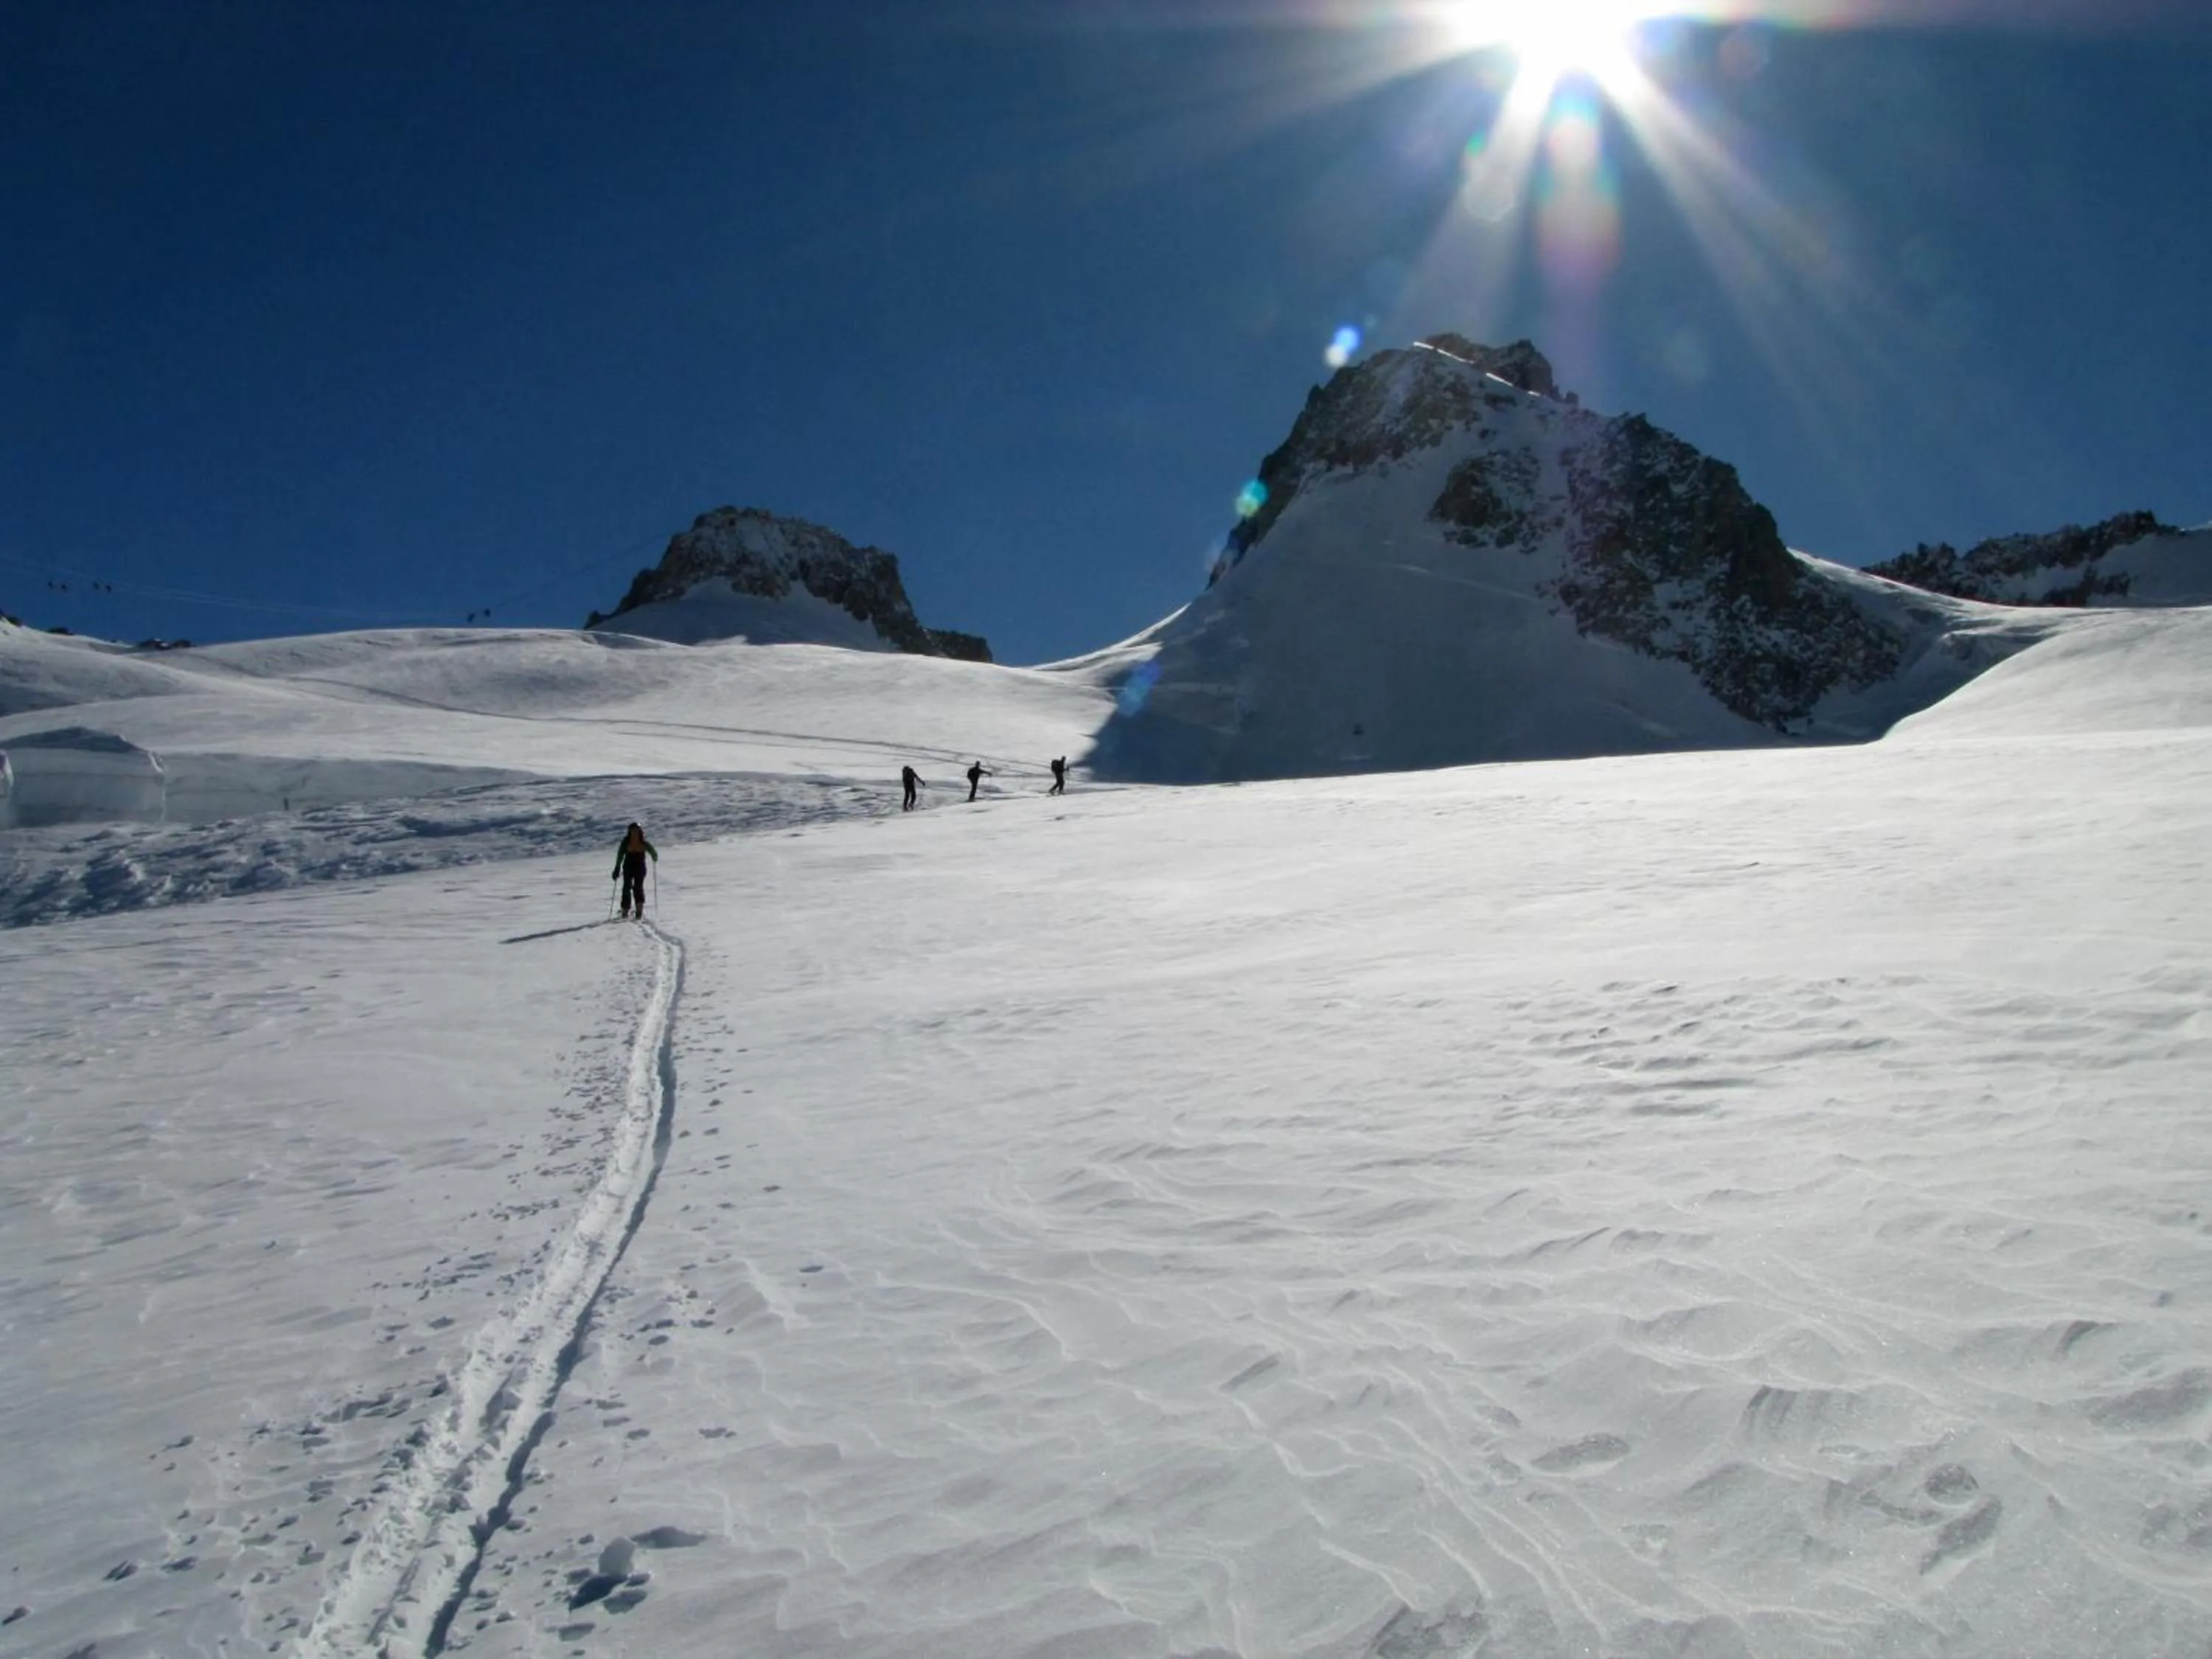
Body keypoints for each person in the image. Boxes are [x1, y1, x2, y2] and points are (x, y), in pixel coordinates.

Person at [611, 821, 657, 918]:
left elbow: (620, 855)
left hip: (628, 866)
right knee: (638, 886)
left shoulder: (626, 841)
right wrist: (654, 858)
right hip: (640, 867)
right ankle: (639, 907)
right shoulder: (643, 842)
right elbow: (653, 852)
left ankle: (625, 909)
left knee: (627, 887)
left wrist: (617, 868)